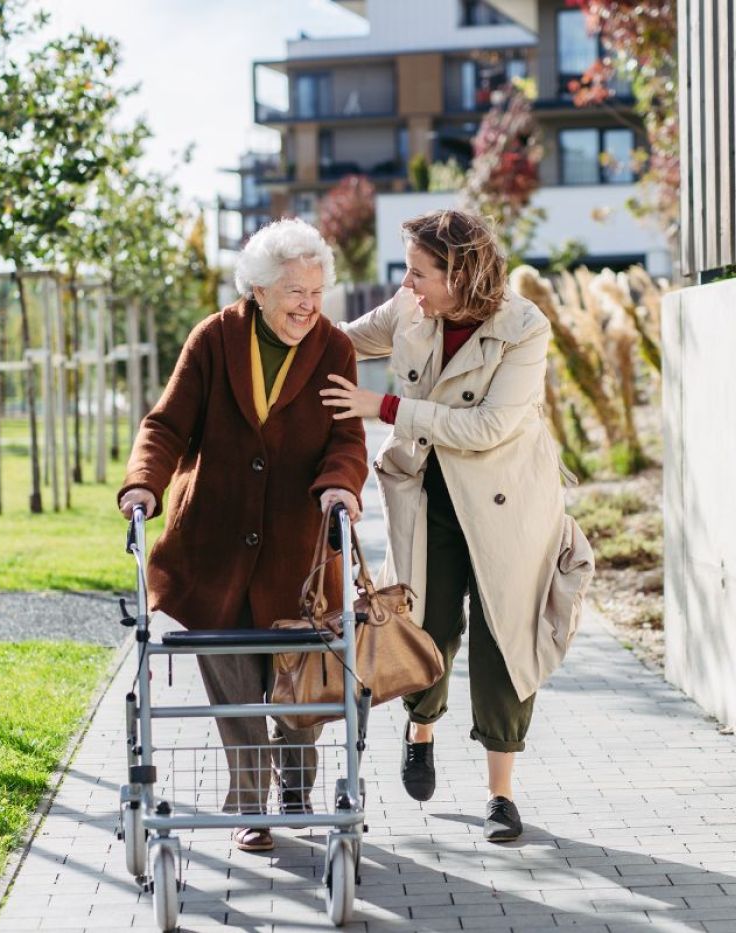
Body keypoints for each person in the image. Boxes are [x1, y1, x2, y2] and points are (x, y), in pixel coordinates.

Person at [321, 209, 594, 842]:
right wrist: (281, 312)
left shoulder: (524, 329)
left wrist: (383, 406)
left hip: (508, 505)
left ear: (461, 272)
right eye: (408, 272)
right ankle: (421, 730)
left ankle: (501, 795)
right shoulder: (411, 309)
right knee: (428, 628)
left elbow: (489, 428)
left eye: (419, 273)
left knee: (504, 641)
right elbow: (341, 339)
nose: (408, 285)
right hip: (428, 497)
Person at [117, 218, 368, 852]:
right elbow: (167, 425)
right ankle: (253, 805)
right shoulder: (213, 339)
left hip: (297, 557)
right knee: (235, 696)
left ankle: (296, 789)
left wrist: (341, 483)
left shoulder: (335, 348)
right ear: (257, 289)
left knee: (297, 695)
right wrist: (144, 483)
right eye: (294, 293)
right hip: (214, 551)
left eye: (316, 292)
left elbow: (347, 438)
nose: (308, 306)